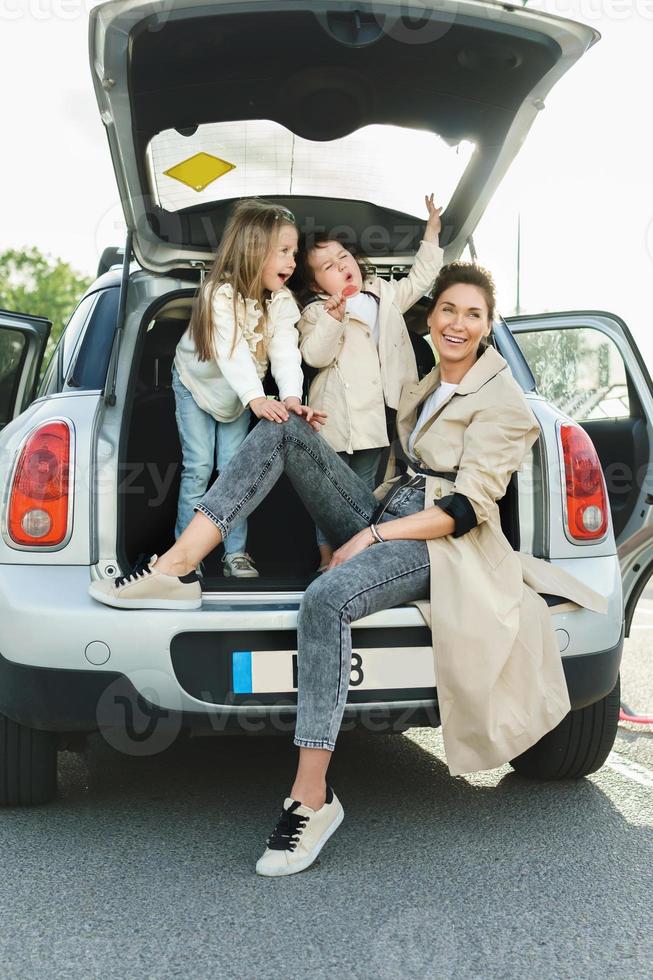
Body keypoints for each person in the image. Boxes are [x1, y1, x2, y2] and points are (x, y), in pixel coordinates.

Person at [89, 262, 607, 877]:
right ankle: (176, 567)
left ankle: (312, 798)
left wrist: (369, 533)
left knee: (325, 600)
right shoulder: (428, 381)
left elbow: (466, 510)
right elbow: (395, 457)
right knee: (283, 427)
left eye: (473, 314)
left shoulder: (504, 399)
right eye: (448, 310)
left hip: (442, 542)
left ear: (489, 325)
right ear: (432, 315)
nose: (458, 323)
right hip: (393, 508)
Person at [295, 193, 444, 569]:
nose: (341, 266)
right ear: (316, 286)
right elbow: (315, 356)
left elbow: (421, 277)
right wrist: (334, 317)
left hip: (375, 417)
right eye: (328, 266)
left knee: (362, 491)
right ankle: (325, 555)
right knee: (325, 493)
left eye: (344, 257)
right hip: (335, 417)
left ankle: (351, 553)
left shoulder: (384, 295)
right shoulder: (317, 312)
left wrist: (432, 233)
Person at [171, 198, 318, 578]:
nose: (292, 262)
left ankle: (234, 552)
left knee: (234, 471)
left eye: (294, 253)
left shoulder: (282, 302)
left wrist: (290, 399)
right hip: (197, 386)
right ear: (254, 252)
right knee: (200, 467)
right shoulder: (218, 295)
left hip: (239, 398)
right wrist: (256, 398)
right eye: (283, 252)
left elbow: (286, 352)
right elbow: (231, 351)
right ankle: (187, 555)